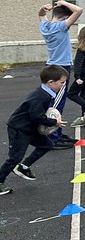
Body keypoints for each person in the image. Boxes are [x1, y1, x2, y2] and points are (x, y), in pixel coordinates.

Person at [0, 65, 68, 195]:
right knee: (15, 157)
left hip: (30, 127)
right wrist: (54, 122)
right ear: (51, 83)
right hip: (20, 129)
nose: (63, 85)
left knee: (47, 144)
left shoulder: (47, 93)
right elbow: (36, 116)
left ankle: (24, 167)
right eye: (62, 82)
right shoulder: (40, 96)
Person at [39, 0, 83, 113]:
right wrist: (63, 2)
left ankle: (47, 126)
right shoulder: (61, 26)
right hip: (62, 67)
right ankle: (54, 130)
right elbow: (78, 10)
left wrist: (44, 7)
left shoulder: (45, 27)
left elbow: (41, 14)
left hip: (50, 65)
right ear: (65, 18)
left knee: (48, 96)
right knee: (59, 100)